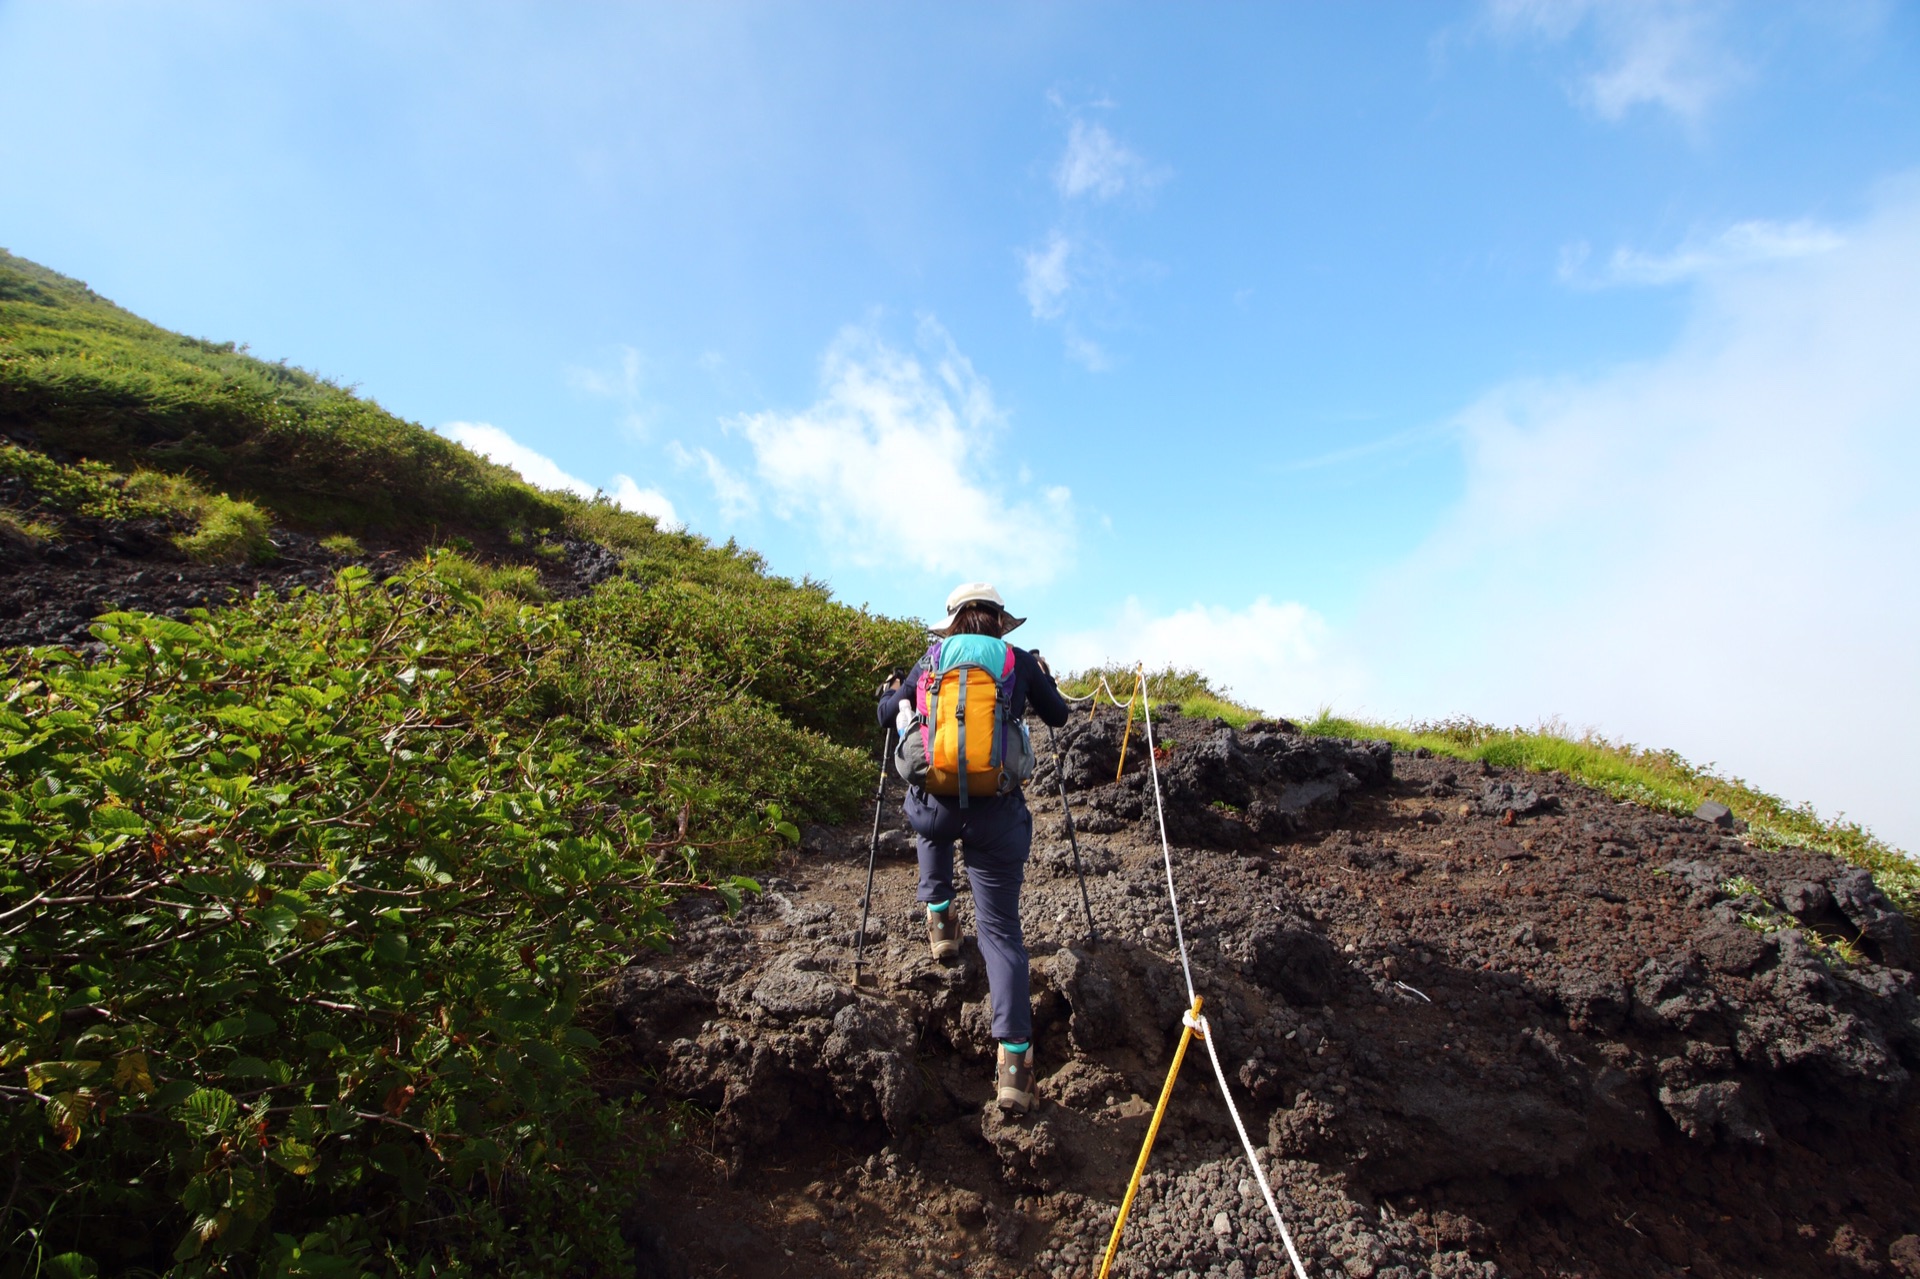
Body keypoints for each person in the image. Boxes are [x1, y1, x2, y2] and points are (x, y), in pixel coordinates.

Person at [876, 582, 1070, 1114]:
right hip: (998, 814)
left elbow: (886, 713)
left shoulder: (933, 658)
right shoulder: (1017, 660)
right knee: (1003, 933)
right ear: (998, 622)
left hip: (937, 808)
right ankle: (1013, 1067)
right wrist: (1042, 680)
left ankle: (940, 920)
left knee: (929, 811)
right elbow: (1058, 717)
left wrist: (891, 693)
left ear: (955, 621)